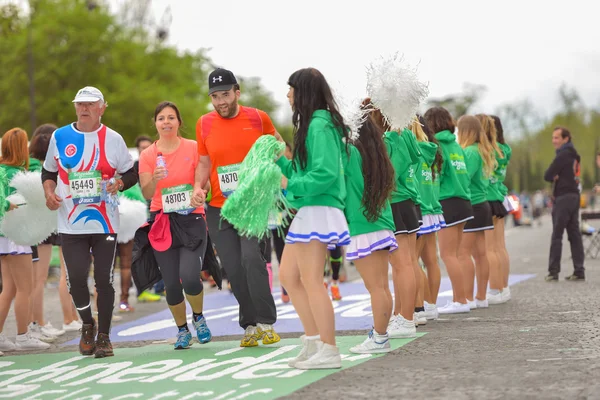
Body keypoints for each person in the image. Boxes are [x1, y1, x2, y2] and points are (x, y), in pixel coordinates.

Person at [42, 86, 137, 358]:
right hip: (70, 222)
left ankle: (104, 337)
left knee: (104, 282)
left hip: (105, 222)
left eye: (90, 104)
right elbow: (48, 171)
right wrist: (49, 193)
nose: (83, 109)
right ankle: (87, 324)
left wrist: (119, 182)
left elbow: (131, 173)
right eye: (79, 104)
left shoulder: (114, 139)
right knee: (75, 280)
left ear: (101, 108)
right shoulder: (60, 137)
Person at [195, 68, 280, 347]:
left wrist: (264, 169)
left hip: (252, 204)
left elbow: (278, 146)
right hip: (219, 207)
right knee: (232, 267)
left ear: (237, 93)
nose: (220, 101)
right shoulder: (204, 124)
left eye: (226, 94)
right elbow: (205, 162)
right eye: (215, 96)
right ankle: (250, 324)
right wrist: (199, 187)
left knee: (251, 259)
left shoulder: (257, 117)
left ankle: (266, 321)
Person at [277, 67, 350, 369]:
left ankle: (329, 349)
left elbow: (325, 173)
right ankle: (314, 340)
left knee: (310, 280)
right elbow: (303, 173)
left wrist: (289, 184)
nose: (288, 95)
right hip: (311, 208)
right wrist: (281, 159)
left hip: (319, 208)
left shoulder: (319, 125)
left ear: (303, 91)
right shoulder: (312, 125)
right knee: (288, 276)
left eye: (291, 89)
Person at [139, 101, 212, 350]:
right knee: (171, 283)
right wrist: (154, 180)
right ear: (155, 123)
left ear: (179, 122)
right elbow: (146, 192)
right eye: (161, 118)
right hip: (162, 221)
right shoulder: (148, 155)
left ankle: (199, 316)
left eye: (171, 117)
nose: (166, 122)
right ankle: (182, 330)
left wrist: (199, 191)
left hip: (192, 219)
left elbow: (204, 180)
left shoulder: (193, 148)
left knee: (190, 277)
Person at [344, 112, 398, 354]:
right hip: (381, 223)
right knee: (382, 286)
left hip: (363, 226)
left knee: (376, 287)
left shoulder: (350, 154)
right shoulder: (377, 156)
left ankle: (379, 338)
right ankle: (380, 335)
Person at [368, 102, 418, 338]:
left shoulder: (388, 142)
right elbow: (416, 159)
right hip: (408, 202)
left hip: (396, 202)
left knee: (401, 266)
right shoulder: (406, 136)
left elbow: (388, 175)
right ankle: (403, 315)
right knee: (406, 264)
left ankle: (407, 319)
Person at [0, 128, 51, 354]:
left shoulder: (3, 170)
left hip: (5, 237)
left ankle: (3, 336)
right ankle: (23, 335)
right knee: (24, 288)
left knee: (9, 289)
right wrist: (6, 205)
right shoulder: (14, 174)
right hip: (16, 236)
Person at [424, 107, 473, 314]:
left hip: (447, 201)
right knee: (458, 254)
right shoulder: (457, 146)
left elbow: (437, 176)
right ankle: (463, 299)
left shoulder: (437, 147)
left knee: (447, 255)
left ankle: (460, 300)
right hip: (463, 201)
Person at [27, 124, 70, 340]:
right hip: (39, 229)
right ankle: (36, 324)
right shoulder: (40, 171)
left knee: (37, 279)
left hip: (38, 228)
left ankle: (37, 323)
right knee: (38, 278)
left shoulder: (30, 167)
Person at [457, 115, 496, 309]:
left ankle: (468, 297)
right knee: (481, 254)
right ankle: (481, 296)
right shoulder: (482, 150)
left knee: (463, 253)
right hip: (482, 203)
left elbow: (464, 178)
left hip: (472, 203)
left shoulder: (470, 152)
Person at [411, 116, 444, 321]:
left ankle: (418, 307)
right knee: (431, 261)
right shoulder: (430, 150)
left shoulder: (413, 150)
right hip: (432, 208)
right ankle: (430, 304)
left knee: (411, 262)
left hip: (419, 208)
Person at [543, 126, 585, 281]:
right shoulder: (575, 155)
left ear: (565, 139)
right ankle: (579, 270)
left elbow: (547, 175)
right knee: (574, 234)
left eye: (557, 138)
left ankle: (553, 272)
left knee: (557, 235)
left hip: (563, 197)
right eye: (553, 137)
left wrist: (555, 176)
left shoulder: (562, 155)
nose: (554, 141)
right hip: (574, 196)